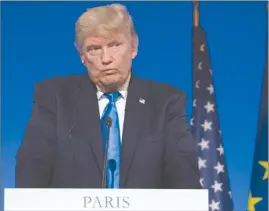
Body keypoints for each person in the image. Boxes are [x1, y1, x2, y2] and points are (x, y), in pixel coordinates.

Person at [15, 3, 201, 189]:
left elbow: (184, 180)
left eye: (114, 45)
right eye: (94, 49)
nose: (106, 59)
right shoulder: (55, 97)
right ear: (82, 55)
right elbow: (31, 172)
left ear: (134, 47)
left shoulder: (166, 102)